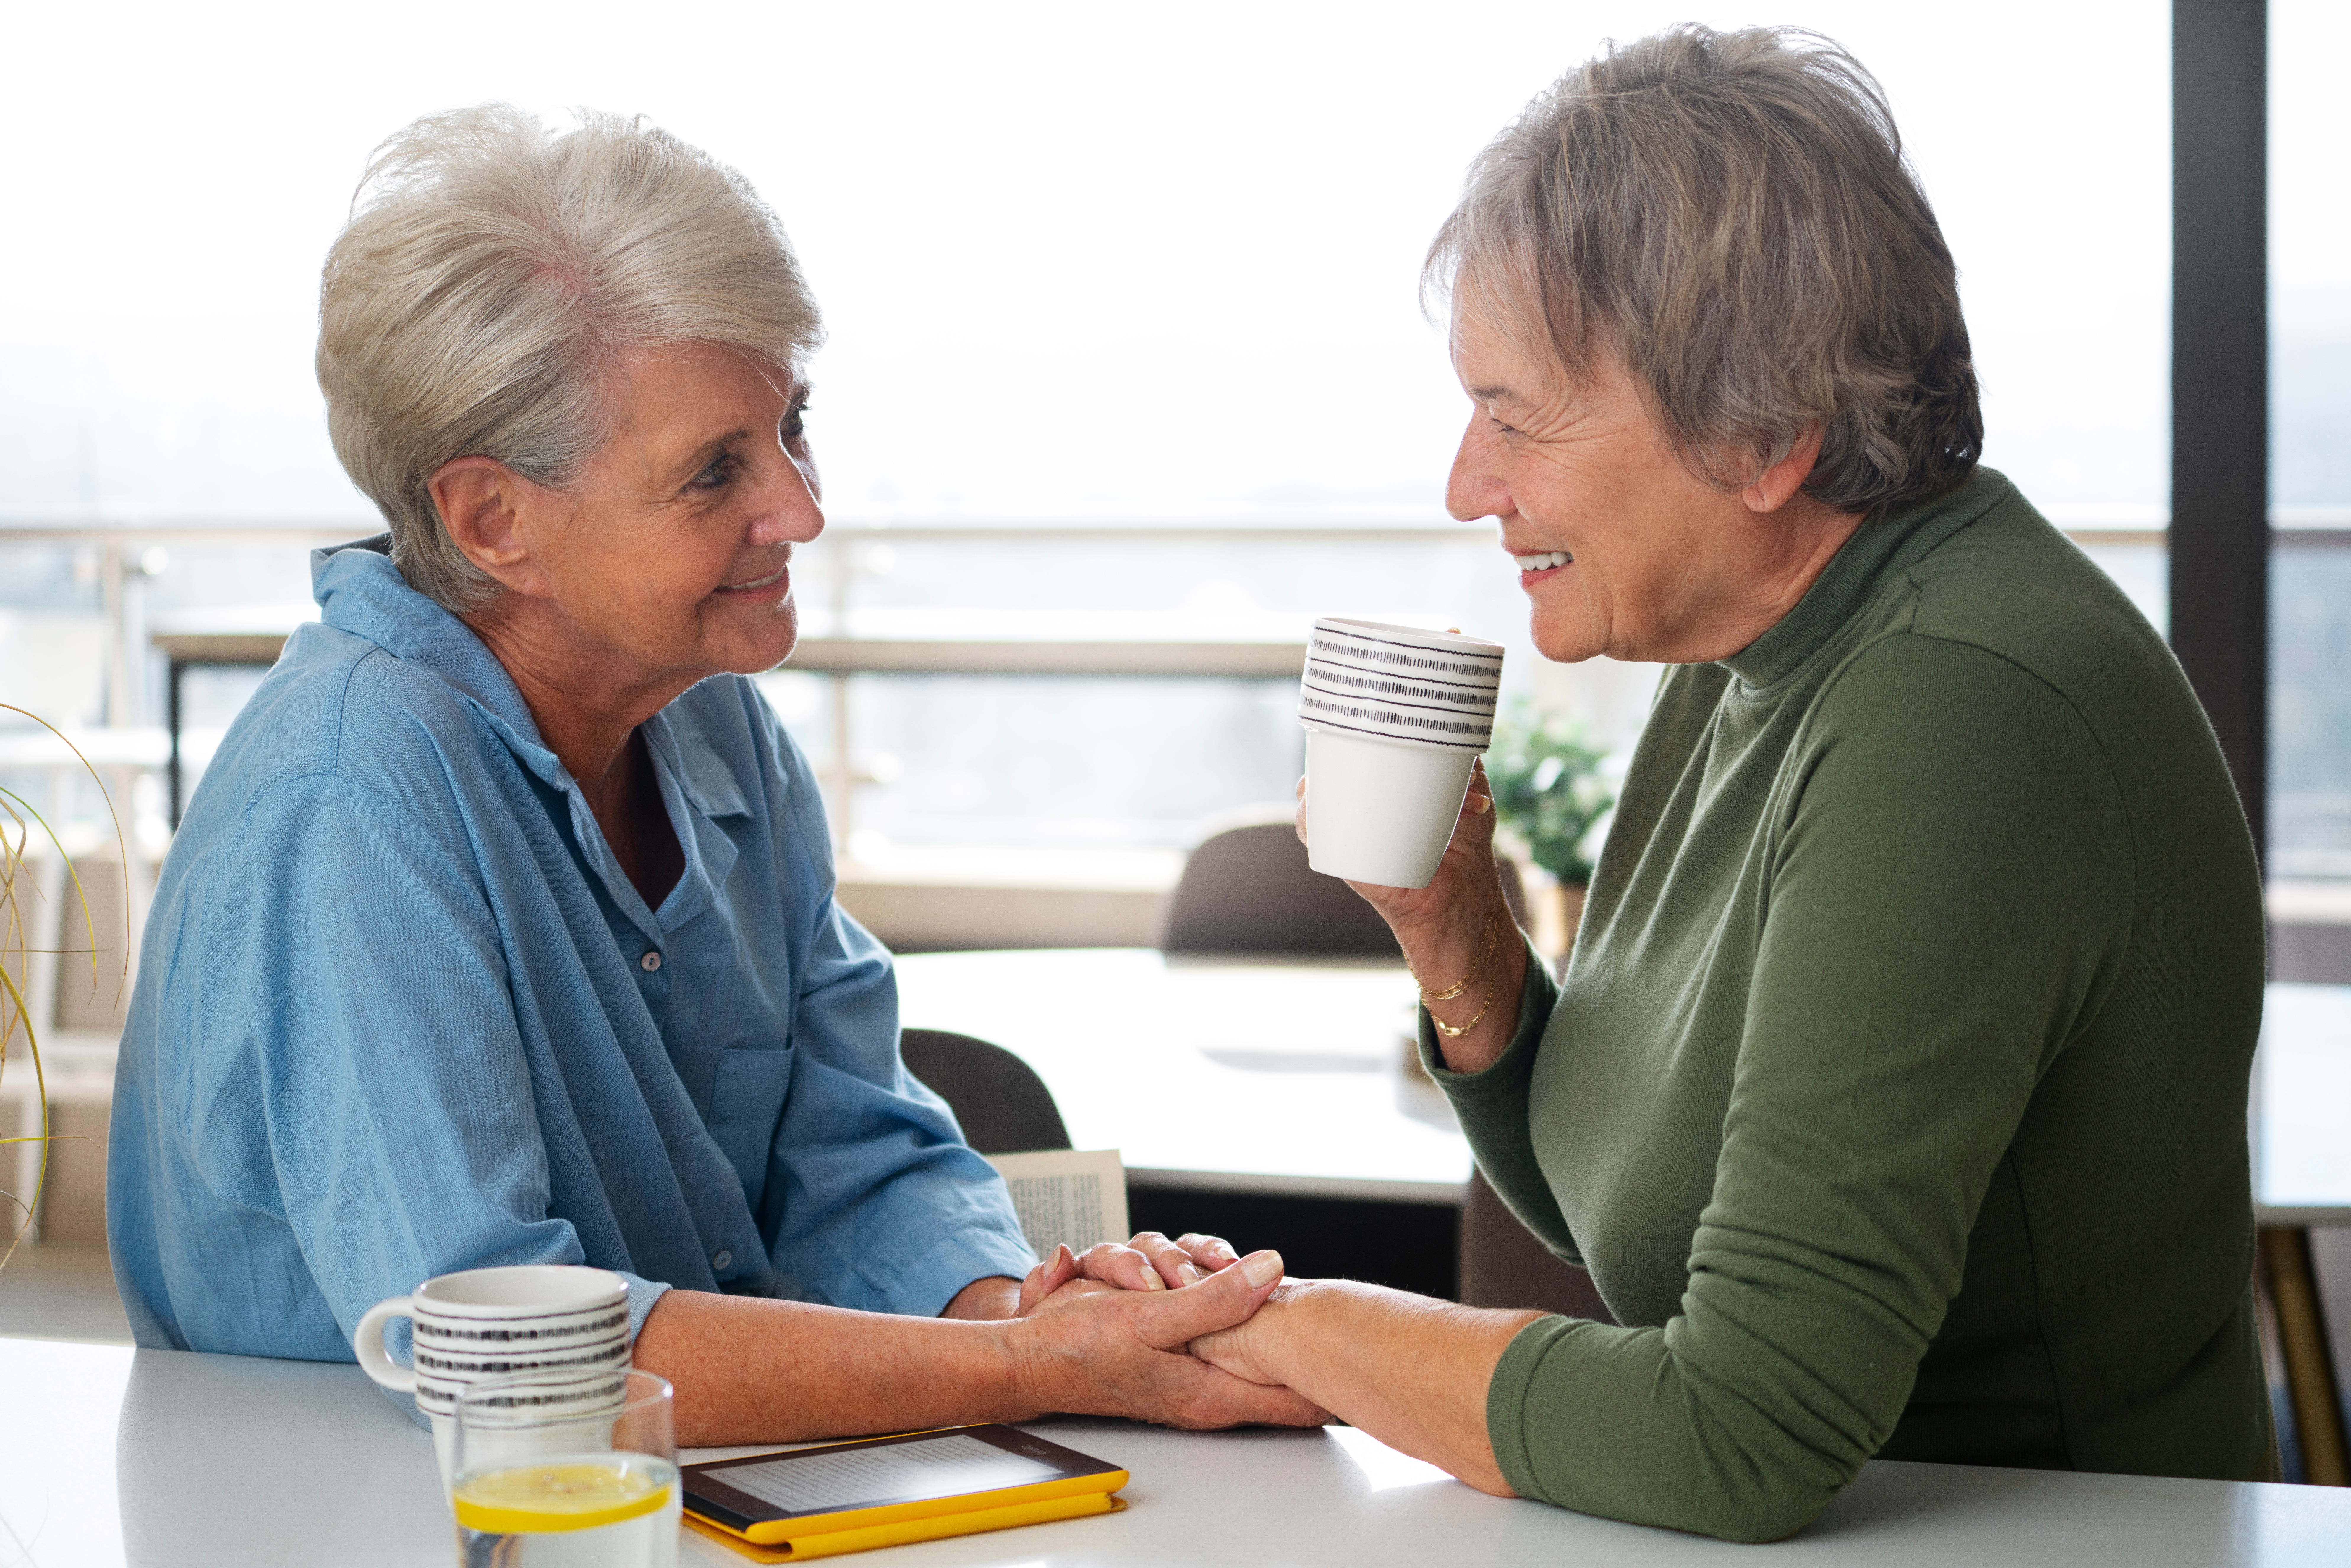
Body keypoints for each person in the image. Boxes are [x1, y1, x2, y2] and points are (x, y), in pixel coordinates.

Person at [1166, 25, 2276, 1541]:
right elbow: (1631, 1214)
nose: (1465, 485)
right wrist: (1455, 936)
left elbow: (1740, 1433)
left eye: (1515, 413)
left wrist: (1264, 1325)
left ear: (1758, 433)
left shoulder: (1955, 707)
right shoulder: (1754, 648)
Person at [105, 104, 1317, 1444]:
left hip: (680, 1502)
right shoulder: (350, 799)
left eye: (792, 427)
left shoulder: (714, 721)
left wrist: (1026, 1310)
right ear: (492, 518)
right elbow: (512, 1354)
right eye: (713, 473)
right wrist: (1041, 1371)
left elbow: (850, 1145)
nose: (800, 509)